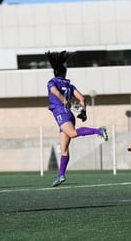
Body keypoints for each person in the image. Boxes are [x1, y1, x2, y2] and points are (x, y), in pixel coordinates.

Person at [46, 51, 108, 187]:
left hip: (61, 113)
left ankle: (98, 130)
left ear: (55, 72)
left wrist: (63, 101)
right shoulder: (69, 85)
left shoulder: (52, 82)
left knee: (73, 134)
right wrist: (83, 111)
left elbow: (54, 91)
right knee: (63, 148)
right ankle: (60, 175)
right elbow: (82, 99)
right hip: (68, 115)